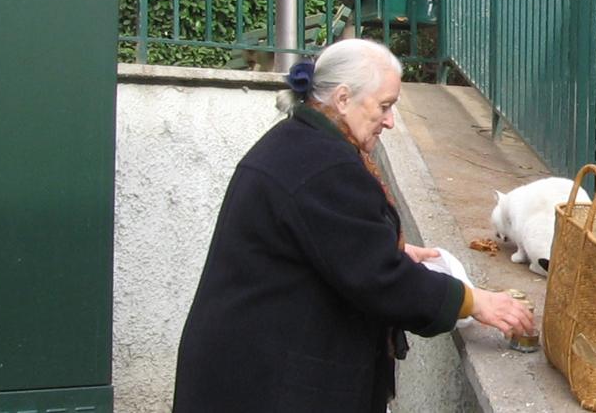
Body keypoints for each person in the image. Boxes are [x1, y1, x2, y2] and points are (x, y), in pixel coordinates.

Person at [172, 39, 535, 413]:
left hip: (247, 367)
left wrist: (387, 248)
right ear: (343, 99)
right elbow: (379, 278)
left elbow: (328, 246)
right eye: (385, 106)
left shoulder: (299, 141)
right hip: (264, 383)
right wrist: (472, 300)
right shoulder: (326, 167)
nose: (391, 120)